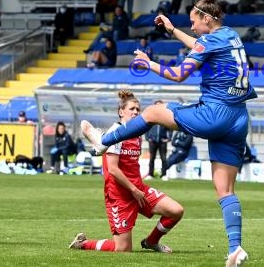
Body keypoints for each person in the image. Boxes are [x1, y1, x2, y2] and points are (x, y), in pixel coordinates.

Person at [80, 0, 255, 266]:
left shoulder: (207, 41)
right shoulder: (230, 34)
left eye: (194, 22)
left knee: (152, 111)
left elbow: (179, 74)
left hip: (215, 114)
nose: (193, 28)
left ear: (206, 18)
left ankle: (104, 141)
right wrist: (174, 30)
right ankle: (236, 249)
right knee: (225, 190)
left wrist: (148, 63)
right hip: (238, 119)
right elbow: (201, 45)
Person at [69, 90, 184, 253]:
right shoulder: (115, 133)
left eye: (138, 109)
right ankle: (84, 243)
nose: (136, 112)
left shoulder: (136, 133)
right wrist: (133, 189)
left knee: (176, 211)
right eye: (132, 109)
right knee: (123, 249)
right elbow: (113, 169)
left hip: (138, 189)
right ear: (121, 112)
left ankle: (151, 242)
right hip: (120, 195)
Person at [145, 100, 171, 180]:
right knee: (152, 158)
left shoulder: (165, 117)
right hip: (152, 140)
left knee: (163, 158)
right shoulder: (151, 117)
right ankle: (150, 174)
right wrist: (147, 137)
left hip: (162, 141)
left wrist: (168, 138)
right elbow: (146, 127)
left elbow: (170, 128)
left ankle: (164, 175)